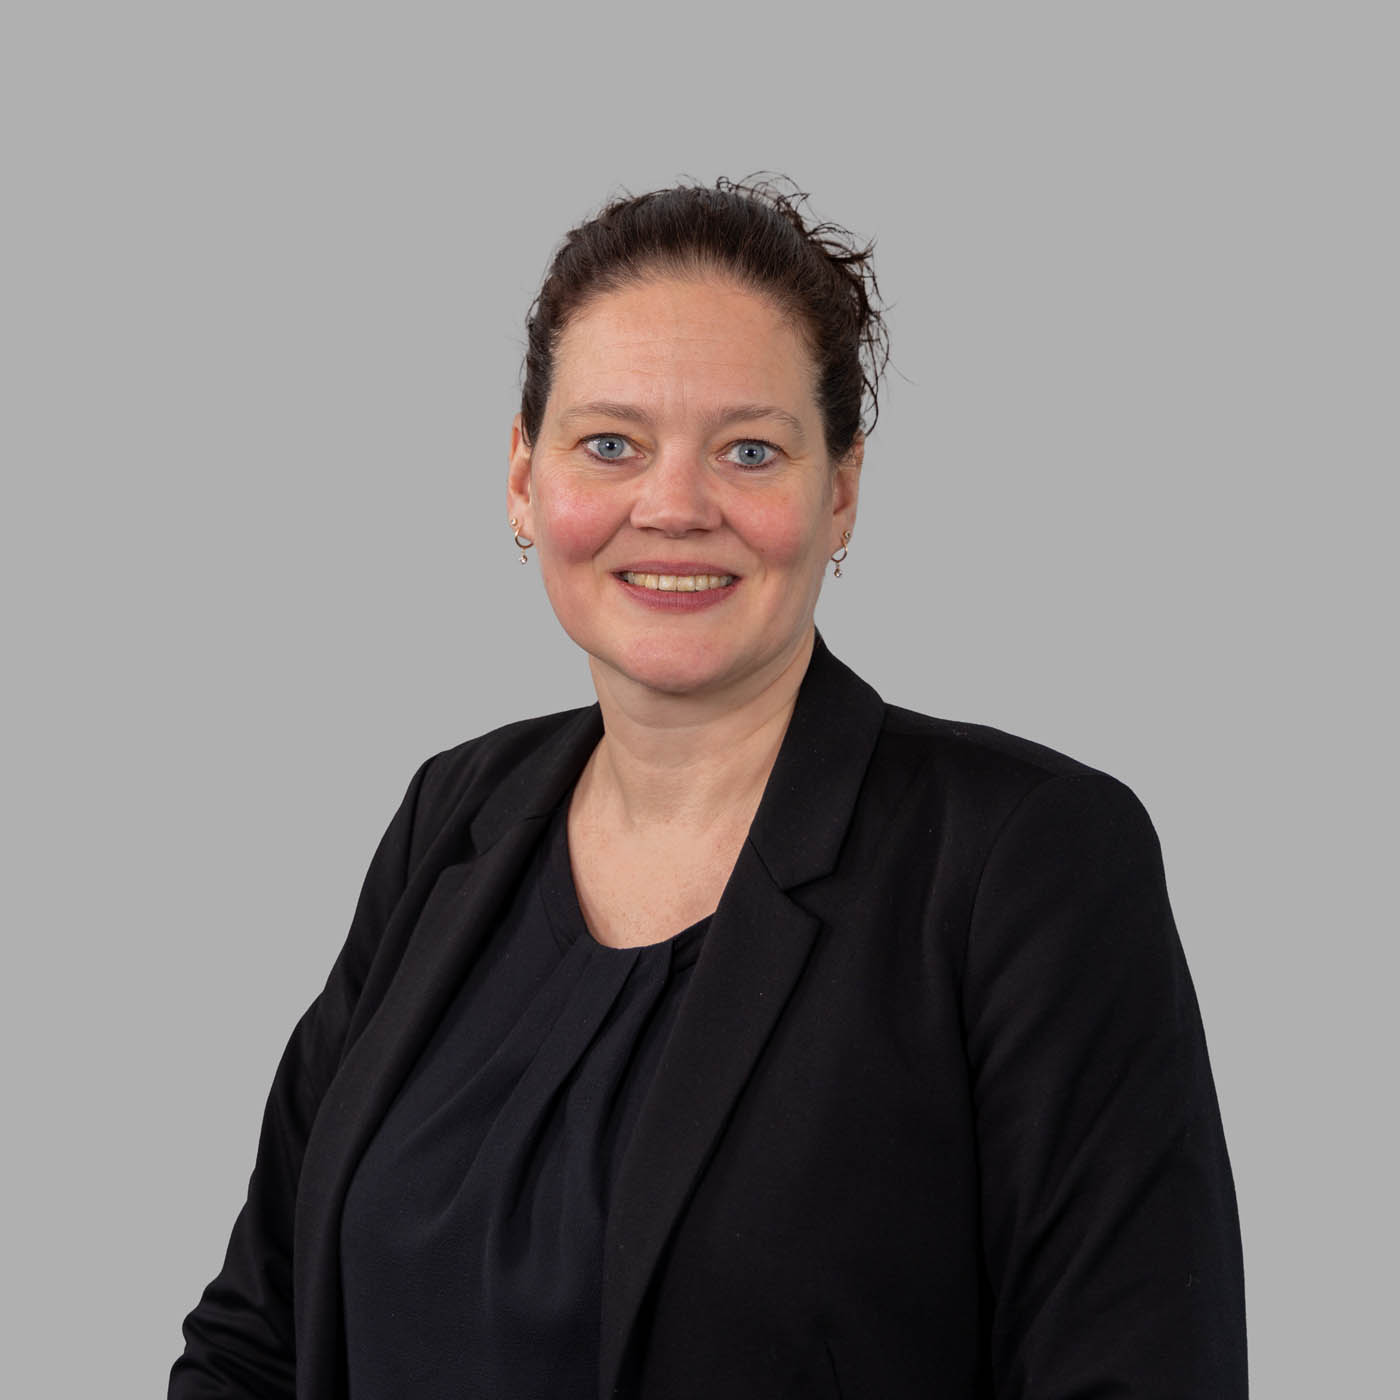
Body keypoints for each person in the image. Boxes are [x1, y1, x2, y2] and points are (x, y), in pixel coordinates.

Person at [169, 174, 1248, 1399]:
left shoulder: (1025, 861)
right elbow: (255, 1335)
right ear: (523, 475)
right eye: (610, 444)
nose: (673, 506)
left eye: (748, 450)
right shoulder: (452, 815)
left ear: (838, 491)